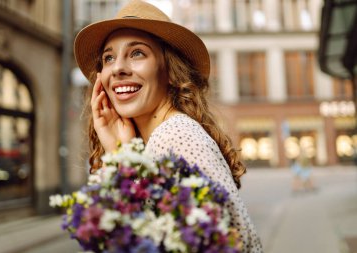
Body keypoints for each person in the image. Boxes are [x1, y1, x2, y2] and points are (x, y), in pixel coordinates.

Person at [74, 0, 262, 251]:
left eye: (137, 53)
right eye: (108, 58)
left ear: (170, 71)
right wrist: (120, 152)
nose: (117, 68)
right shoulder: (156, 142)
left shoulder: (175, 135)